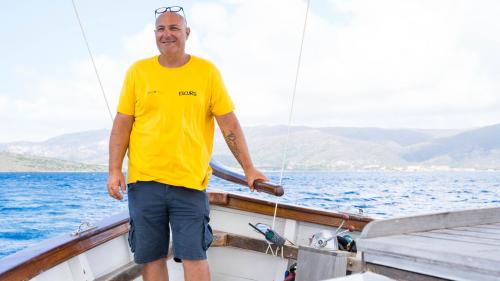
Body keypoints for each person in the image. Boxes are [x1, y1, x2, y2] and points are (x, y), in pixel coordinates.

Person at [106, 6, 267, 281]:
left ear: (187, 33)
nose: (166, 34)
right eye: (161, 29)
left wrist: (249, 168)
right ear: (154, 34)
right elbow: (122, 124)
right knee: (151, 257)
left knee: (194, 256)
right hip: (144, 182)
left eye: (174, 28)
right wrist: (114, 170)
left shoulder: (207, 72)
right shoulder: (138, 72)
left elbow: (229, 124)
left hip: (190, 183)